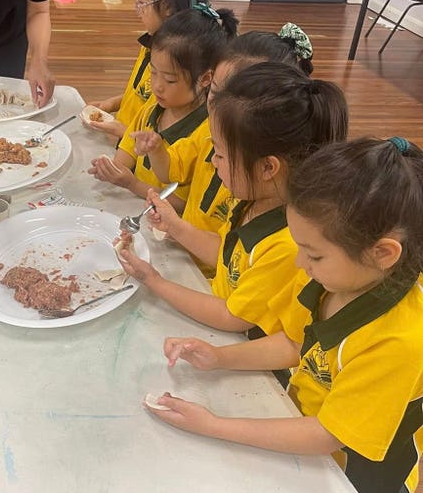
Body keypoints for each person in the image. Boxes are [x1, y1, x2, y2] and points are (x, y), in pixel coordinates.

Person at [153, 137, 423, 493]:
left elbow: (330, 434)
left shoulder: (397, 340)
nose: (301, 262)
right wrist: (220, 358)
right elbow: (293, 341)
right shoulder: (338, 280)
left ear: (383, 253)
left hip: (360, 485)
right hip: (315, 456)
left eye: (314, 254)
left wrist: (215, 424)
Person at [118, 62, 348, 335]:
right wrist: (175, 226)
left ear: (267, 168)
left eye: (220, 154)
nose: (213, 163)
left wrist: (153, 280)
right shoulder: (257, 196)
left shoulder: (289, 243)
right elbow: (227, 255)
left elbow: (231, 316)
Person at [146, 23, 316, 265]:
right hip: (185, 257)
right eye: (214, 90)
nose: (219, 107)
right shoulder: (212, 132)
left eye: (232, 96)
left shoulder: (255, 185)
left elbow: (229, 262)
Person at [89, 5, 237, 201]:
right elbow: (127, 151)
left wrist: (131, 183)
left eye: (170, 80)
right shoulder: (153, 106)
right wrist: (112, 170)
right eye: (153, 72)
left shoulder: (205, 133)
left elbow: (179, 203)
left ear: (204, 79)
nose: (157, 86)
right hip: (134, 204)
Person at [86, 0, 208, 140]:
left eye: (142, 3)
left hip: (140, 158)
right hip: (124, 147)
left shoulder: (174, 64)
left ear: (167, 7)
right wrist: (113, 104)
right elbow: (141, 94)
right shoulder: (152, 43)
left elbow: (164, 142)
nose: (137, 10)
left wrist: (122, 133)